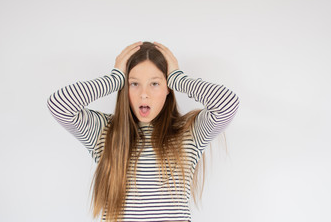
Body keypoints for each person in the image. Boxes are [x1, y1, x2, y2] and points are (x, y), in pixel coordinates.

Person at [47, 41, 240, 222]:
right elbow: (59, 105)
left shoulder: (189, 132)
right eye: (134, 83)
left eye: (155, 83)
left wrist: (178, 79)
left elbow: (227, 104)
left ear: (168, 88)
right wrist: (114, 79)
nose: (144, 93)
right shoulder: (104, 132)